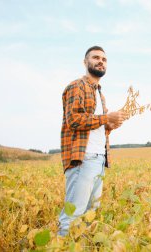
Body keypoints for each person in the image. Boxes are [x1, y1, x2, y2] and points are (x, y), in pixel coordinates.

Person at [58, 46, 127, 236]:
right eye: (96, 57)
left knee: (90, 215)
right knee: (72, 215)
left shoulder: (100, 93)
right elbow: (73, 120)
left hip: (99, 159)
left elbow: (93, 126)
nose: (100, 61)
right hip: (83, 158)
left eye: (104, 59)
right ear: (85, 62)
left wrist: (109, 126)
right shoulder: (76, 87)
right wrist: (106, 118)